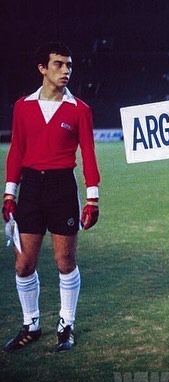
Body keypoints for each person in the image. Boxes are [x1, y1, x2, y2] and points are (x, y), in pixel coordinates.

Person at [2, 42, 100, 353]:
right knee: (23, 265)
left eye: (69, 65)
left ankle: (65, 324)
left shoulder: (79, 109)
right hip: (30, 188)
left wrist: (92, 199)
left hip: (61, 188)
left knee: (64, 261)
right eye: (58, 64)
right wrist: (9, 193)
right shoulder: (23, 106)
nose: (66, 70)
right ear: (42, 68)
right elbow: (16, 150)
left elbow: (88, 153)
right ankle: (31, 324)